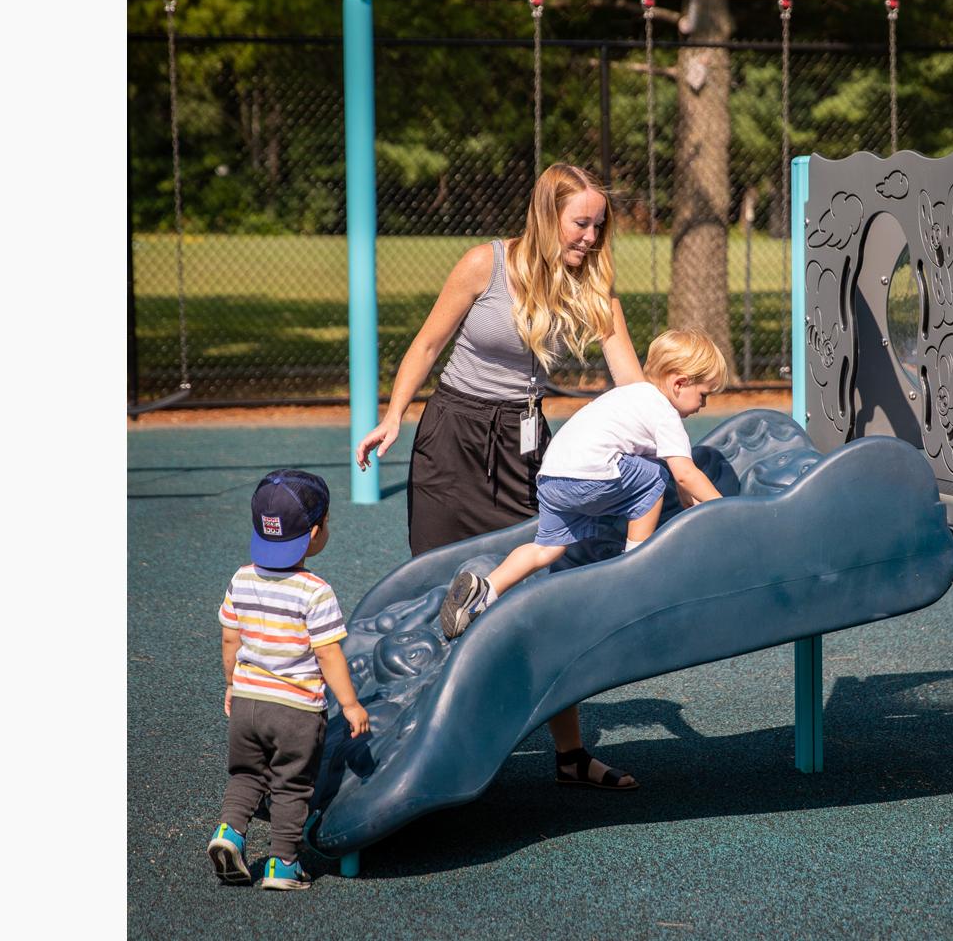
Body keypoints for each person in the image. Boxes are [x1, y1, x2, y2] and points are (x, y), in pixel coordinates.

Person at [353, 162, 646, 789]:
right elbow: (429, 345)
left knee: (537, 595)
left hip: (523, 447)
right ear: (546, 216)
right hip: (452, 436)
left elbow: (631, 380)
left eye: (599, 225)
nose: (591, 237)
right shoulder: (484, 265)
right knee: (438, 589)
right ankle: (413, 748)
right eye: (580, 223)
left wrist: (662, 438)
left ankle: (569, 756)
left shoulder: (593, 286)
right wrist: (393, 416)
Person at [437, 327, 729, 641]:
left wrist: (691, 504)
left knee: (545, 549)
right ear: (679, 383)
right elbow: (684, 473)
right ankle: (635, 566)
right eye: (703, 395)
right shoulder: (664, 413)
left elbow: (683, 485)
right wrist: (723, 509)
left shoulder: (629, 396)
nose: (703, 405)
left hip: (552, 479)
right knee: (655, 474)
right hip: (590, 474)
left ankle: (484, 592)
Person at [208, 469, 370, 890]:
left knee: (245, 774)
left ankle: (229, 833)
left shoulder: (240, 578)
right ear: (315, 532)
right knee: (291, 784)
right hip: (296, 710)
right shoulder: (315, 591)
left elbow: (231, 638)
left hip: (247, 701)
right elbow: (328, 653)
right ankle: (283, 864)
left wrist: (231, 683)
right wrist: (350, 704)